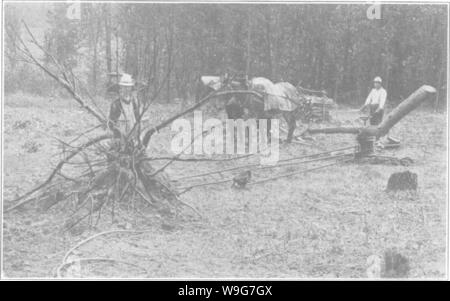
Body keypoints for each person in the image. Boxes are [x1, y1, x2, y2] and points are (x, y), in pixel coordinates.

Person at [107, 73, 140, 141]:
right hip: (120, 138)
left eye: (128, 87)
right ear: (121, 87)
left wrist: (138, 136)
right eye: (124, 87)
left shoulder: (134, 102)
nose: (126, 89)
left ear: (131, 88)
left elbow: (137, 120)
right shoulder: (116, 104)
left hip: (133, 137)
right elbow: (111, 123)